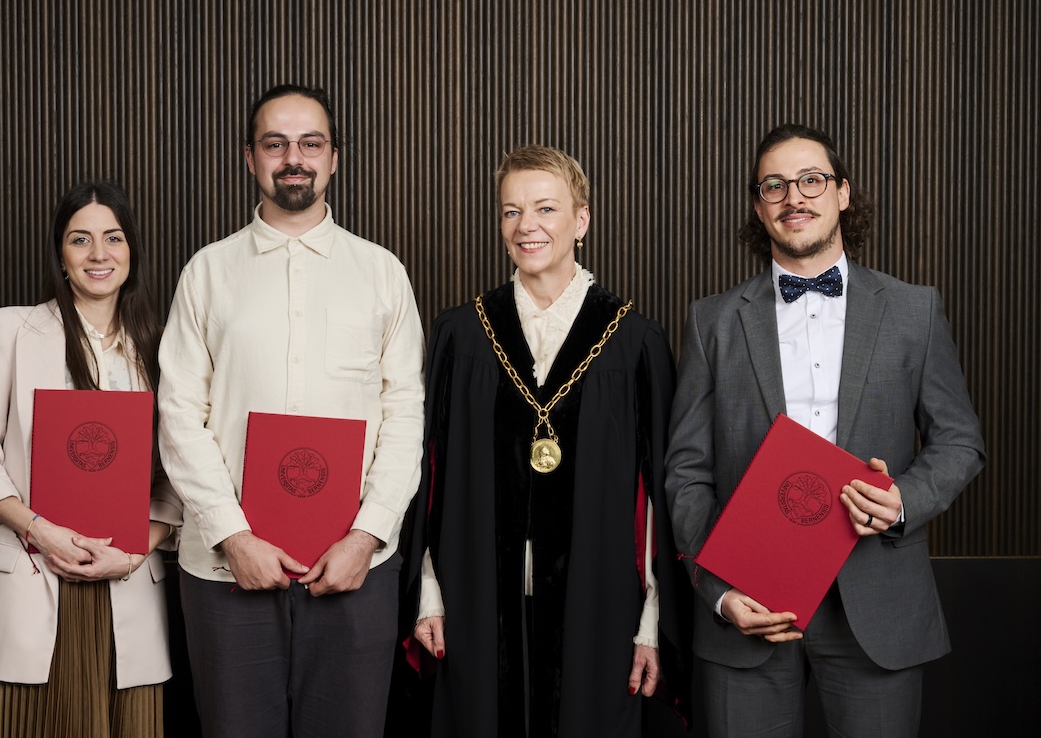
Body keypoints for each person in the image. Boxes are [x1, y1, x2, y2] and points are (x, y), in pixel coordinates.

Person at [664, 124, 986, 737]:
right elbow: (686, 471)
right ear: (759, 207)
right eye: (775, 185)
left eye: (811, 180)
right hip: (749, 608)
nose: (795, 197)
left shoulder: (914, 311)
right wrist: (719, 593)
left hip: (878, 603)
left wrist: (901, 502)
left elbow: (960, 441)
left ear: (841, 193)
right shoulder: (711, 322)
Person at [157, 84, 425, 737]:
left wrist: (367, 537)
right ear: (250, 158)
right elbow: (179, 412)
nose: (293, 158)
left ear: (334, 158)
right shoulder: (207, 273)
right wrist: (232, 534)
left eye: (310, 143)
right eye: (275, 144)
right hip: (227, 565)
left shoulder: (382, 274)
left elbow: (405, 415)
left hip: (355, 565)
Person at [402, 146, 691, 736]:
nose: (526, 226)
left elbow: (659, 497)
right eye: (511, 211)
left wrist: (651, 625)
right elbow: (431, 479)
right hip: (478, 601)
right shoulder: (462, 333)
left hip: (601, 606)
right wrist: (429, 594)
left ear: (582, 220)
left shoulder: (634, 340)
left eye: (545, 208)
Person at [0, 180, 182, 738]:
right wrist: (44, 531)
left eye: (113, 238)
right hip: (32, 572)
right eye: (81, 240)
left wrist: (131, 552)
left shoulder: (163, 346)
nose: (99, 255)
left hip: (128, 581)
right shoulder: (10, 329)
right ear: (61, 253)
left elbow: (178, 475)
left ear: (132, 251)